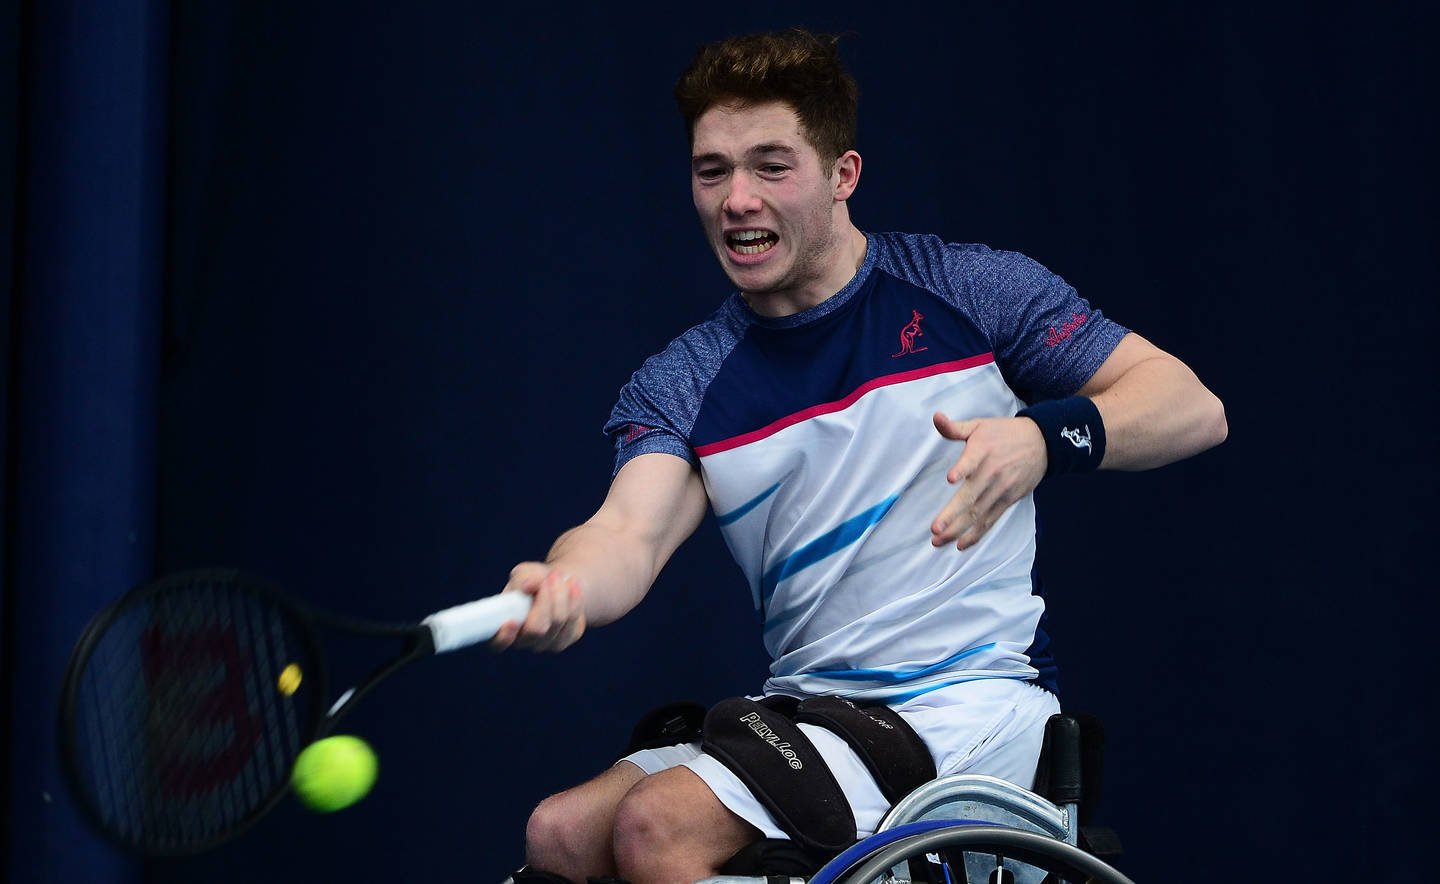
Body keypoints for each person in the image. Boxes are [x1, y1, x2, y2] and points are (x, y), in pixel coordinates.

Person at [492, 28, 1227, 884]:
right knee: (560, 836)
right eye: (712, 170)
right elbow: (624, 535)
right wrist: (565, 583)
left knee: (659, 829)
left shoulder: (970, 293)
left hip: (972, 707)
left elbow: (1190, 407)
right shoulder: (686, 379)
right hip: (807, 715)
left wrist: (1040, 438)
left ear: (843, 175)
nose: (737, 199)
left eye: (772, 165)